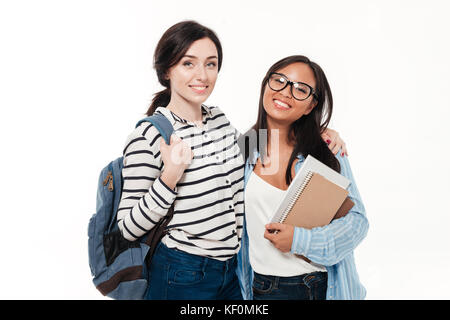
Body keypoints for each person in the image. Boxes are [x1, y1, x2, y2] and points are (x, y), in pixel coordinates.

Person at [116, 20, 347, 300]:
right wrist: (169, 178)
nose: (202, 75)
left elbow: (263, 145)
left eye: (210, 64)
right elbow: (127, 228)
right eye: (188, 64)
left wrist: (319, 130)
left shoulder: (218, 121)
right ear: (167, 70)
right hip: (182, 273)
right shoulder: (150, 134)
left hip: (232, 274)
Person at [236, 55, 369, 300]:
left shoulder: (326, 151)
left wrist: (301, 240)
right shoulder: (242, 149)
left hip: (321, 286)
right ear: (266, 85)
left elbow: (358, 222)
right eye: (280, 81)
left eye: (301, 89)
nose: (286, 92)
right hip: (261, 288)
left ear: (311, 106)